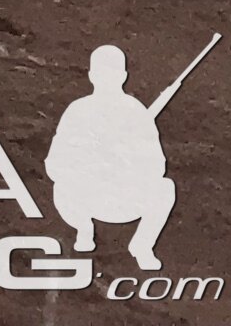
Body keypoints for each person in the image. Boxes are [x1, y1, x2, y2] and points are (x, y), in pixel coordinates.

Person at [45, 44, 179, 271]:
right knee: (61, 187)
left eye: (112, 74)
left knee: (165, 188)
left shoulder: (136, 112)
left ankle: (142, 246)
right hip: (85, 199)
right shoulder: (77, 110)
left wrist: (126, 162)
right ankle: (84, 229)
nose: (107, 79)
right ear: (91, 76)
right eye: (102, 73)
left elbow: (158, 166)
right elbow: (54, 164)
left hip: (125, 198)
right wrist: (89, 165)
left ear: (123, 76)